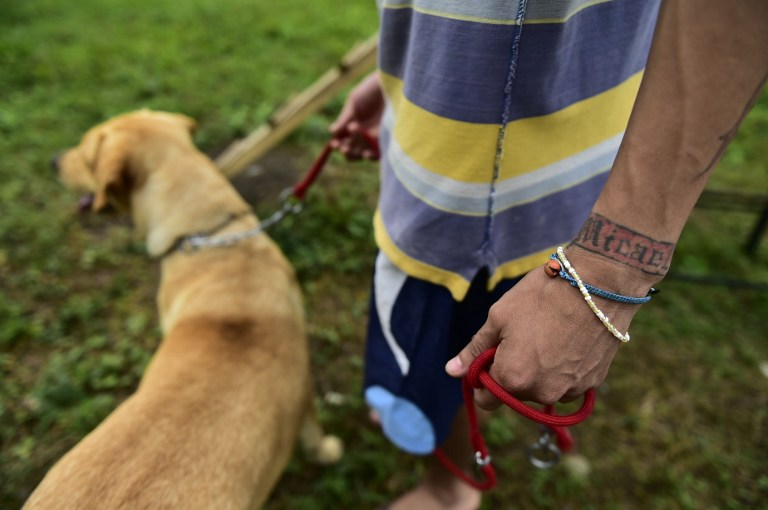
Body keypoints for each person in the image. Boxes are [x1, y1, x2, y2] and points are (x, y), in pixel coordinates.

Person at [330, 1, 768, 508]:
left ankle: (450, 488)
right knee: (429, 373)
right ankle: (441, 462)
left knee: (471, 366)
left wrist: (607, 275)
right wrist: (405, 72)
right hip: (424, 187)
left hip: (568, 195)